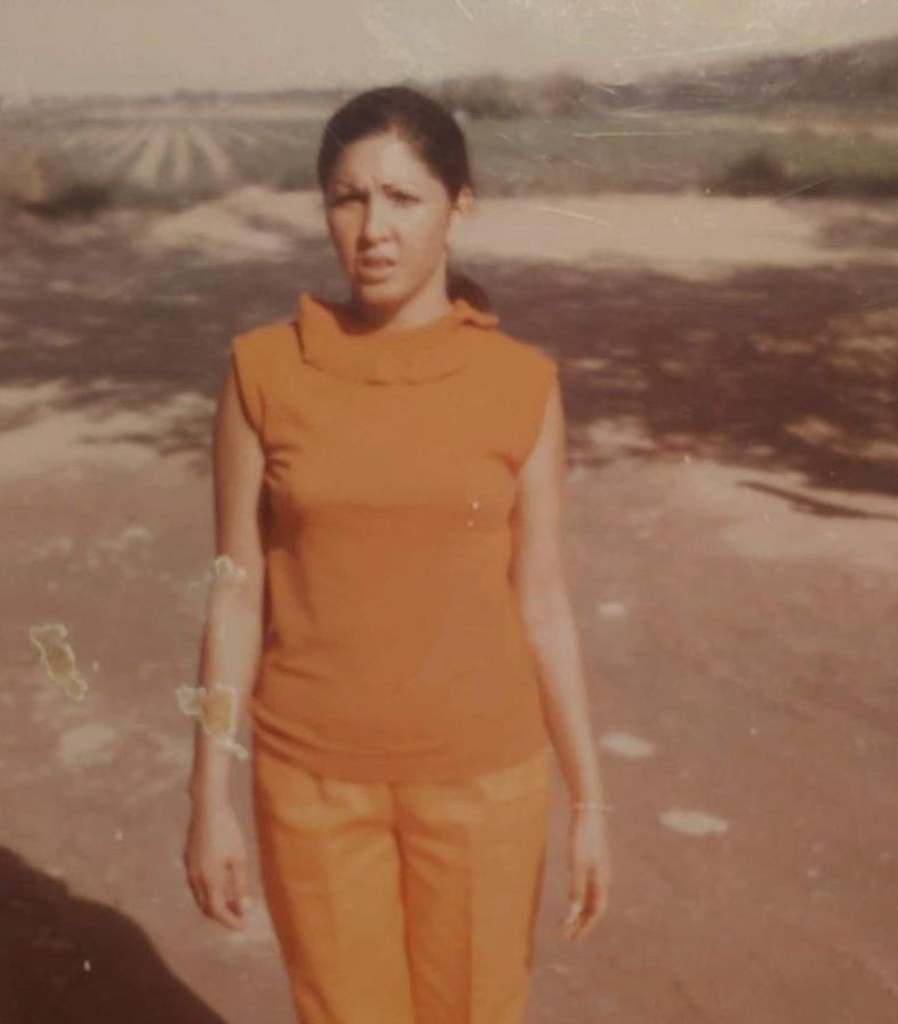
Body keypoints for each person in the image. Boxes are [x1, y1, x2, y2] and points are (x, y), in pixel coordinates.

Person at [183, 84, 611, 1024]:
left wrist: (589, 801)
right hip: (311, 784)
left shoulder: (520, 384)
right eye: (348, 198)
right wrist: (208, 795)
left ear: (459, 207)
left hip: (485, 782)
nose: (373, 229)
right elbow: (235, 595)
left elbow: (544, 603)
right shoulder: (263, 372)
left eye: (403, 198)